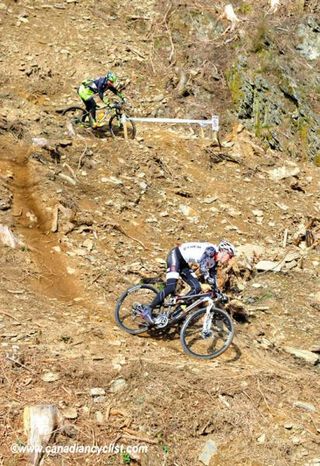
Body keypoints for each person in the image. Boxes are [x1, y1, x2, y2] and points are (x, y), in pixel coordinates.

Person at [136, 240, 235, 324]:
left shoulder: (214, 261)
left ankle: (176, 314)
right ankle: (147, 309)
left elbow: (213, 278)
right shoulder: (211, 250)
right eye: (229, 256)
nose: (229, 259)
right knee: (171, 287)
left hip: (183, 263)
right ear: (224, 251)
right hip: (175, 256)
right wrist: (207, 278)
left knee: (197, 288)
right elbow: (202, 265)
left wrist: (217, 292)